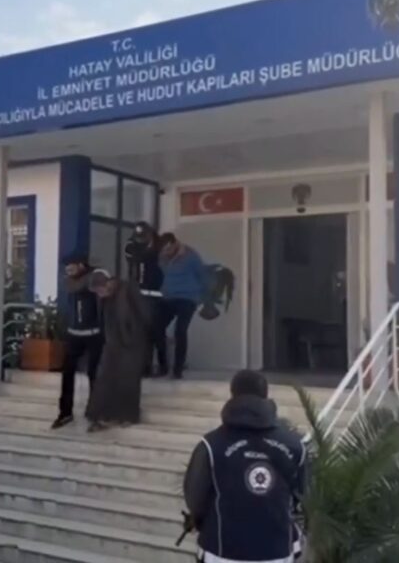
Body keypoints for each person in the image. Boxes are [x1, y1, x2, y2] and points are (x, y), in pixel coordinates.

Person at [183, 370, 306, 563]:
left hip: (221, 552)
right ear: (266, 394)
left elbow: (195, 499)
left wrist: (198, 521)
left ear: (232, 394)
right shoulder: (294, 445)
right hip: (277, 552)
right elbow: (304, 496)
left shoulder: (211, 445)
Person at [84, 269, 152, 433]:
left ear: (108, 283)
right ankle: (99, 416)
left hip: (133, 342)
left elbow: (145, 313)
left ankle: (127, 416)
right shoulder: (105, 298)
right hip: (113, 342)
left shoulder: (128, 289)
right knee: (105, 379)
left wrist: (138, 334)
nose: (99, 294)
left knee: (128, 379)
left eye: (100, 290)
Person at [51, 253, 103, 430]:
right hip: (74, 334)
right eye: (66, 267)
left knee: (94, 375)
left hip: (94, 334)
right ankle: (65, 413)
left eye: (71, 266)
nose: (68, 269)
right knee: (67, 373)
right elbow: (72, 286)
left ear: (81, 265)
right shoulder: (70, 281)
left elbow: (93, 287)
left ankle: (96, 415)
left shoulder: (94, 277)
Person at [158, 232, 207, 379]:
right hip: (169, 298)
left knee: (180, 330)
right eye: (163, 250)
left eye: (168, 249)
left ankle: (178, 369)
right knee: (156, 327)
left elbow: (202, 275)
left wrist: (200, 297)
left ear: (175, 244)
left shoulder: (191, 256)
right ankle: (163, 366)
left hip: (187, 298)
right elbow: (163, 273)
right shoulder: (162, 257)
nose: (166, 252)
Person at [123, 221, 167, 377]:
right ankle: (144, 367)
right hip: (140, 295)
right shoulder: (133, 249)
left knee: (157, 333)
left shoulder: (159, 249)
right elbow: (131, 255)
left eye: (143, 236)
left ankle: (162, 366)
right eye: (138, 237)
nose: (140, 240)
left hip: (156, 296)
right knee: (141, 333)